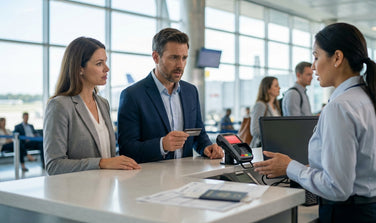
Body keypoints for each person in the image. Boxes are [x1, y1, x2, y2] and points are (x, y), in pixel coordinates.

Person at [254, 23, 376, 222]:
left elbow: (336, 187)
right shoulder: (370, 97)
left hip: (350, 215)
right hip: (375, 210)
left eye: (316, 56)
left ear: (337, 57)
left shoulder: (340, 106)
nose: (313, 66)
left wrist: (289, 167)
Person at [118, 28, 223, 163]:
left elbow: (198, 134)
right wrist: (162, 145)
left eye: (184, 58)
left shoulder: (191, 92)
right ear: (156, 57)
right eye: (174, 57)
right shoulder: (132, 95)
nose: (180, 65)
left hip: (187, 177)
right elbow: (127, 149)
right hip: (149, 180)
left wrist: (207, 147)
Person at [43, 37, 141, 175]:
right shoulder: (60, 105)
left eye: (105, 62)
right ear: (80, 69)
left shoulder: (103, 104)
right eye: (99, 63)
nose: (107, 68)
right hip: (78, 192)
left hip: (106, 190)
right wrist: (102, 163)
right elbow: (54, 165)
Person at [249, 76, 281, 148]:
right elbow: (255, 130)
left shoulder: (275, 106)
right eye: (276, 86)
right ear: (268, 89)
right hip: (261, 147)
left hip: (273, 146)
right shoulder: (261, 105)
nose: (279, 88)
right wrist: (275, 134)